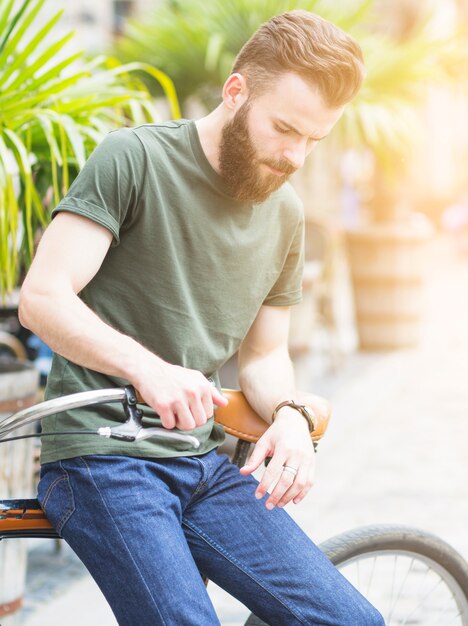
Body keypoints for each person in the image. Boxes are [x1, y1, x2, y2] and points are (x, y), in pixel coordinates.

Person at [19, 10, 384, 626]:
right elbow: (43, 297)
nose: (295, 155)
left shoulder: (287, 213)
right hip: (101, 456)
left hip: (202, 463)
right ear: (236, 91)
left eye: (312, 141)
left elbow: (264, 356)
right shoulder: (133, 158)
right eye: (284, 129)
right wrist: (148, 369)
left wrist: (292, 416)